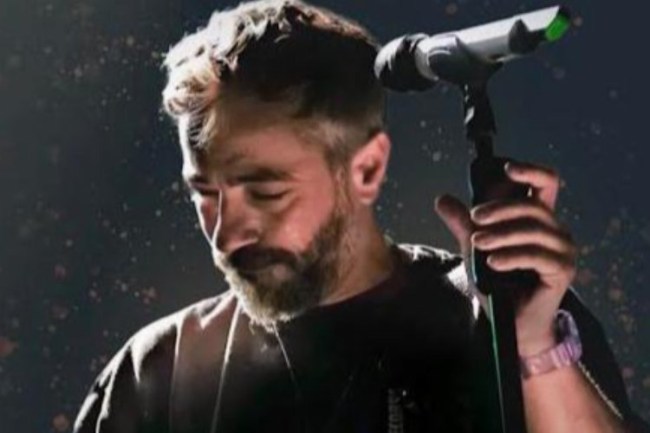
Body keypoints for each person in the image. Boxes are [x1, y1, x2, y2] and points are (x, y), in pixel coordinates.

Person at [72, 1, 649, 432]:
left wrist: (536, 350)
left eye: (266, 192)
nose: (226, 234)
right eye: (203, 192)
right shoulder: (159, 373)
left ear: (366, 168)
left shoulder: (500, 317)